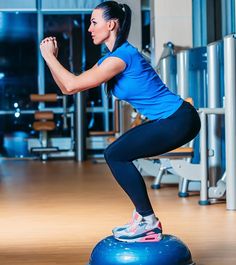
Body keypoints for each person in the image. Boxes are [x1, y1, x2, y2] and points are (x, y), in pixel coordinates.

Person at [40, 1, 201, 243]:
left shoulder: (120, 58)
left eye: (94, 22)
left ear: (111, 24)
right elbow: (68, 88)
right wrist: (51, 59)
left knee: (115, 154)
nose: (90, 28)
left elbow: (72, 84)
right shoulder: (111, 57)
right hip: (171, 119)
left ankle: (148, 222)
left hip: (178, 119)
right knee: (116, 152)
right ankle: (143, 217)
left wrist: (49, 56)